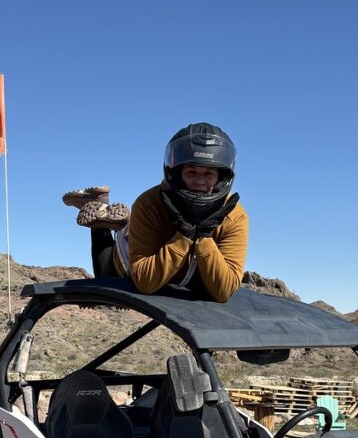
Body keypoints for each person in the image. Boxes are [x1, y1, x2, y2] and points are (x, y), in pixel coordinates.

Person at [63, 123, 249, 303]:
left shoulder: (235, 216)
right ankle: (100, 223)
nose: (200, 181)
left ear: (221, 178)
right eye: (191, 172)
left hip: (182, 272)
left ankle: (125, 227)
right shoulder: (149, 204)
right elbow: (145, 283)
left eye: (209, 174)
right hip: (148, 250)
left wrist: (203, 237)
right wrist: (184, 236)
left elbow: (224, 291)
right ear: (176, 173)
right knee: (107, 278)